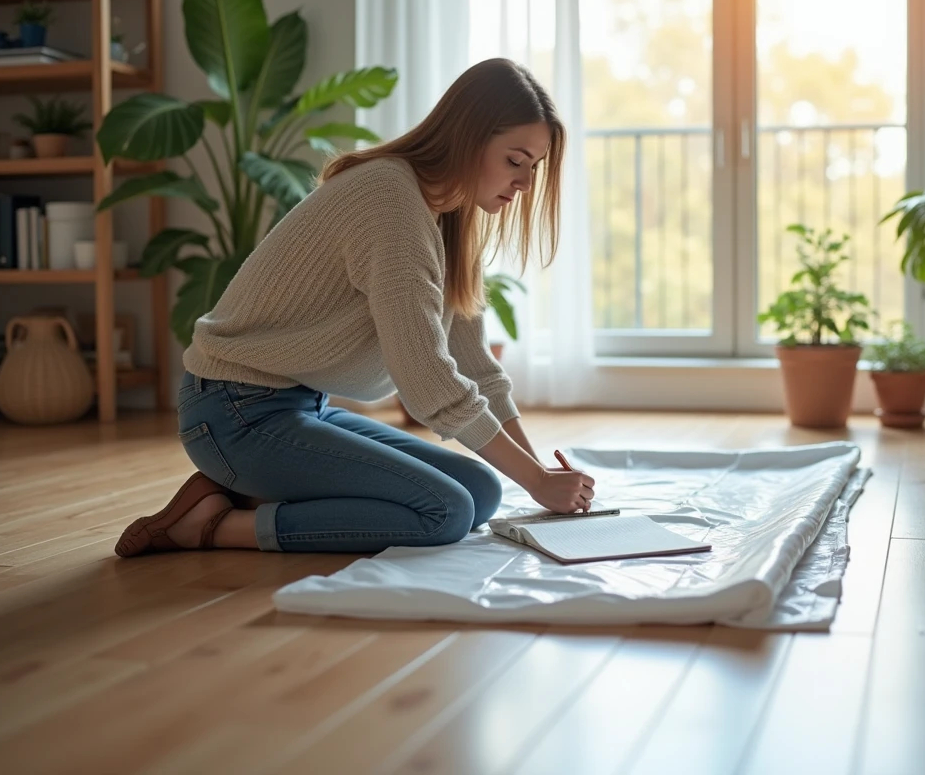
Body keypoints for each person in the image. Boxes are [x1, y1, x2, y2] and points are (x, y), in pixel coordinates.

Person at [114, 58, 596, 558]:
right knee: (444, 511)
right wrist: (537, 481)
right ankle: (212, 527)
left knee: (483, 491)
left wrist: (539, 475)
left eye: (533, 168)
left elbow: (477, 369)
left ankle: (246, 490)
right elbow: (430, 382)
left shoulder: (447, 218)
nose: (524, 184)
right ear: (467, 137)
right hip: (234, 414)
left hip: (303, 407)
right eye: (515, 160)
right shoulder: (390, 201)